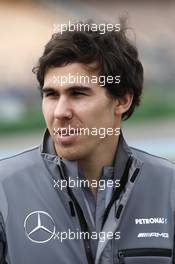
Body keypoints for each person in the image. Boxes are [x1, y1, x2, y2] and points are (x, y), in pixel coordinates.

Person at [0, 19, 175, 264]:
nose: (60, 111)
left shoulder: (169, 188)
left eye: (78, 93)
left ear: (122, 99)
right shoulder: (4, 190)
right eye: (51, 95)